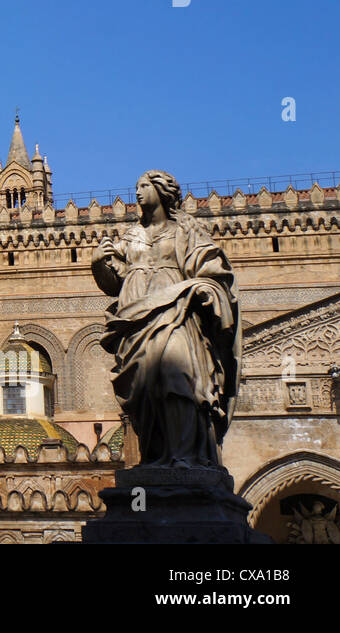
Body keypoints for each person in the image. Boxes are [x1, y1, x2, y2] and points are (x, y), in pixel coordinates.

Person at [92, 170, 240, 467]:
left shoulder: (186, 229)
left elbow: (212, 269)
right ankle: (156, 457)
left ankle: (185, 456)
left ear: (162, 191)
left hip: (177, 311)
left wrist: (205, 287)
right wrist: (98, 264)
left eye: (144, 186)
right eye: (136, 186)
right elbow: (114, 283)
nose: (138, 192)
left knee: (178, 376)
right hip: (135, 319)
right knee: (146, 389)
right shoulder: (131, 235)